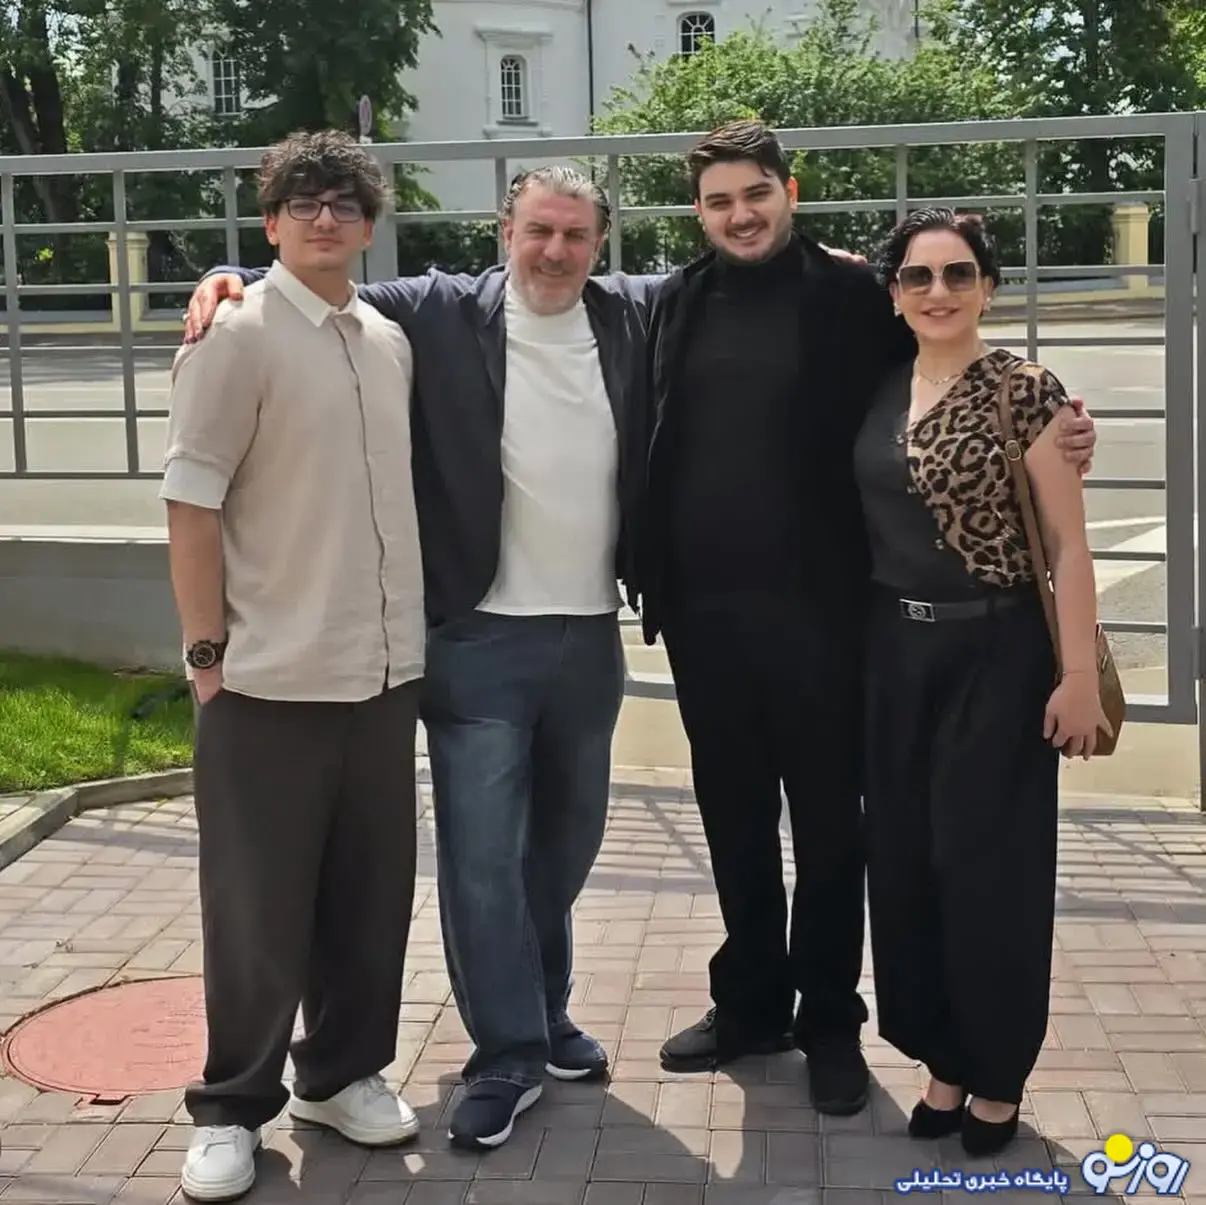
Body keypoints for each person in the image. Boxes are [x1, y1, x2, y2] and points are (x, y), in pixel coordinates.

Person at [182, 165, 658, 1151]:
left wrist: (845, 266)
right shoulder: (438, 311)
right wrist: (228, 274)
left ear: (600, 244)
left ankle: (543, 1007)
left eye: (575, 235)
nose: (555, 251)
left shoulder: (628, 316)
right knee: (483, 861)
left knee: (563, 848)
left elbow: (733, 277)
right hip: (476, 637)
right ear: (505, 230)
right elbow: (317, 275)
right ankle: (507, 1053)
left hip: (589, 635)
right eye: (538, 231)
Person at [637, 120, 1098, 1116]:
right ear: (699, 212)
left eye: (756, 193)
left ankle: (829, 1018)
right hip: (705, 620)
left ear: (789, 191)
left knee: (831, 830)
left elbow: (951, 362)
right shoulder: (677, 299)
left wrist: (1061, 429)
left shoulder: (853, 293)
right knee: (734, 822)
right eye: (719, 201)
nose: (740, 215)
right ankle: (751, 1001)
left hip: (829, 618)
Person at [161, 130, 425, 1202]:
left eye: (345, 203)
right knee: (257, 912)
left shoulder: (388, 339)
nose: (325, 217)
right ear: (271, 223)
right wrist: (206, 654)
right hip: (266, 678)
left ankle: (341, 1073)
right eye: (303, 203)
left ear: (368, 225)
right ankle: (232, 1105)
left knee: (370, 897)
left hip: (382, 672)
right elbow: (191, 502)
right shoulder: (235, 334)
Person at [854, 207, 1107, 1155]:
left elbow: (1069, 544)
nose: (939, 292)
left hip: (998, 656)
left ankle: (997, 1073)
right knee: (908, 863)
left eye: (959, 273)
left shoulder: (1025, 391)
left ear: (989, 288)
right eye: (917, 276)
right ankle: (944, 1057)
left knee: (990, 871)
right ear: (894, 293)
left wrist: (1076, 674)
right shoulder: (878, 386)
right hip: (895, 655)